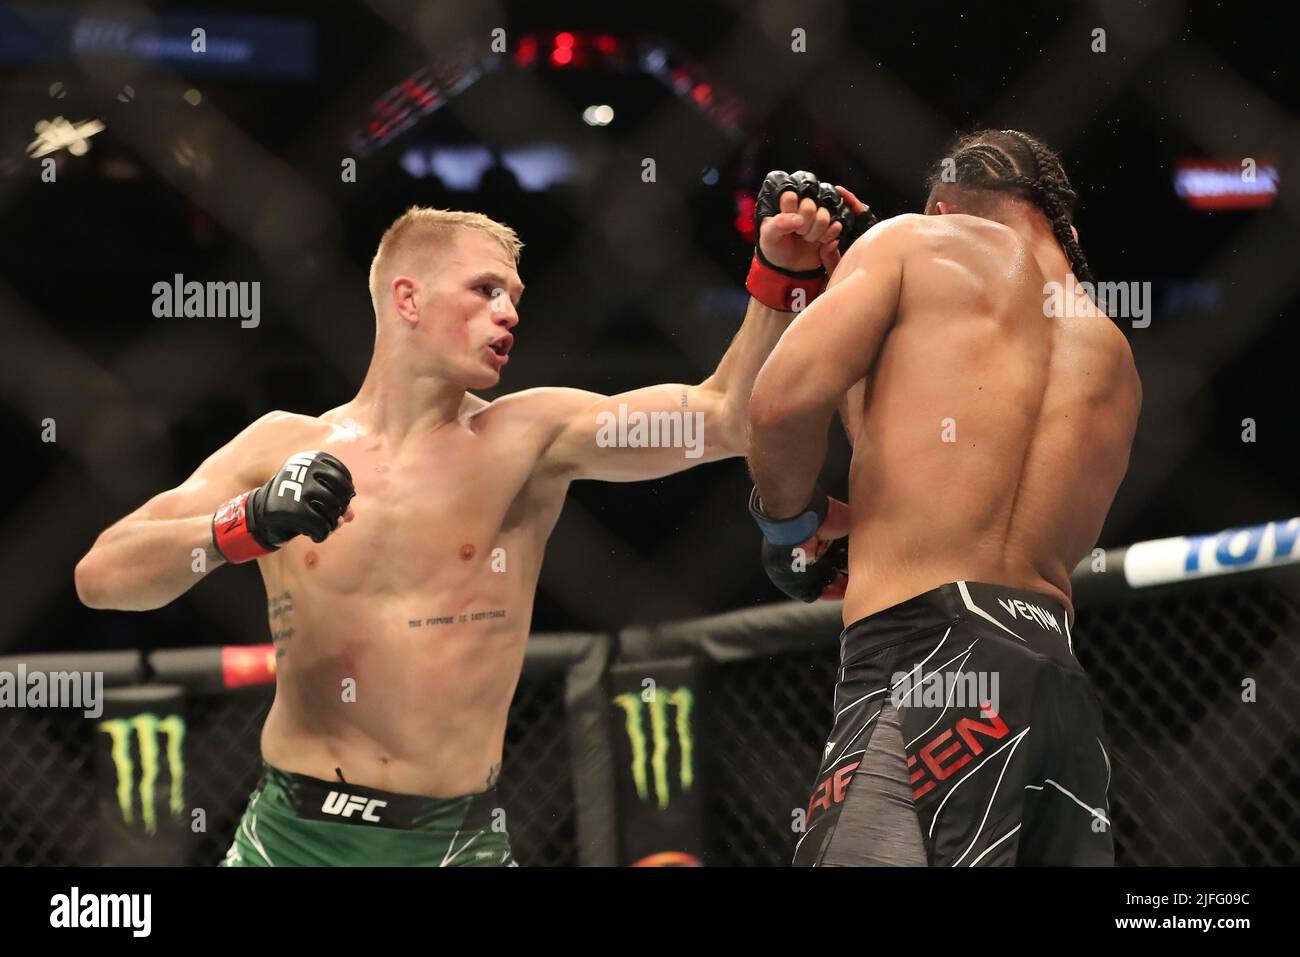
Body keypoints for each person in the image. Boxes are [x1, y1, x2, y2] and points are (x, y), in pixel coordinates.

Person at [74, 172, 864, 866]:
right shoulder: (282, 443)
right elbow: (102, 575)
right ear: (407, 298)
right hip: (291, 838)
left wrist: (781, 278)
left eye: (515, 297)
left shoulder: (528, 438)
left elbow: (722, 419)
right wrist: (242, 524)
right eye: (485, 290)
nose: (509, 313)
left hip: (454, 842)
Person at [746, 130, 1141, 866]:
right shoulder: (1114, 354)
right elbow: (938, 474)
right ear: (1064, 228)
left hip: (925, 660)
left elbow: (777, 406)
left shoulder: (912, 243)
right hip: (1052, 683)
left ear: (945, 206)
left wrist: (789, 524)